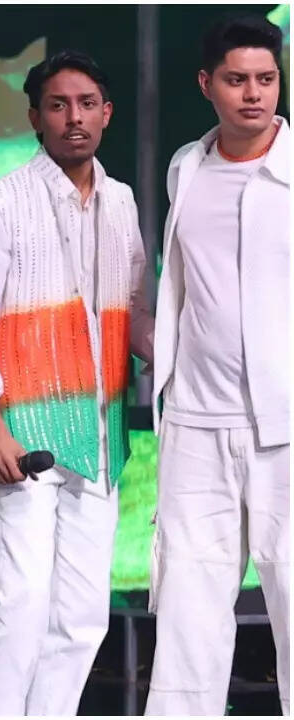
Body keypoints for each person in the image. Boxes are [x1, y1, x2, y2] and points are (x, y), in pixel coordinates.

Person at [0, 50, 153, 715]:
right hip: (27, 435)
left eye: (87, 104)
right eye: (59, 105)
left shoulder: (121, 201)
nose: (74, 118)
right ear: (35, 117)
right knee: (22, 604)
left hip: (100, 433)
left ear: (107, 113)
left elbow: (133, 312)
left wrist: (192, 358)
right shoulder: (0, 201)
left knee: (84, 616)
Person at [145, 15, 289, 716]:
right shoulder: (187, 167)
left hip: (285, 428)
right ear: (207, 84)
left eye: (267, 79)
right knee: (187, 612)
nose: (254, 94)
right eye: (237, 80)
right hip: (195, 424)